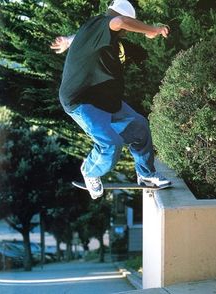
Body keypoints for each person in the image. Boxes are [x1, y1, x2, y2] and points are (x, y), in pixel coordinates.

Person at [50, 0, 171, 199]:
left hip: (106, 102)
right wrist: (153, 29)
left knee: (140, 128)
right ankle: (90, 170)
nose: (126, 32)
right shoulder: (101, 22)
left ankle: (146, 175)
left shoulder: (104, 37)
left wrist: (68, 41)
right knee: (111, 144)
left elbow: (81, 37)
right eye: (127, 28)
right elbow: (120, 21)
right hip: (82, 102)